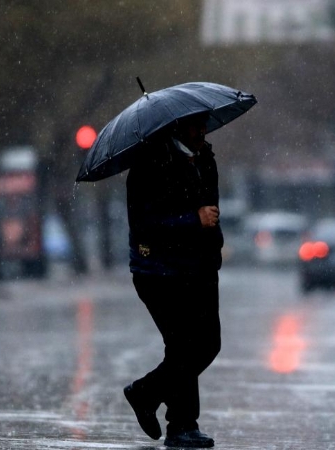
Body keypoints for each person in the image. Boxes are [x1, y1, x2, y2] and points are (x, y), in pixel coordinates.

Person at [123, 112, 222, 448]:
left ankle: (149, 396)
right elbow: (145, 224)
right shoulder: (150, 164)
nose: (202, 131)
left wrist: (213, 248)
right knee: (184, 346)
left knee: (207, 344)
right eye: (196, 125)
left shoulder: (205, 158)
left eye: (204, 124)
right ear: (177, 126)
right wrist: (192, 220)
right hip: (160, 272)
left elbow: (212, 210)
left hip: (200, 268)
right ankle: (180, 424)